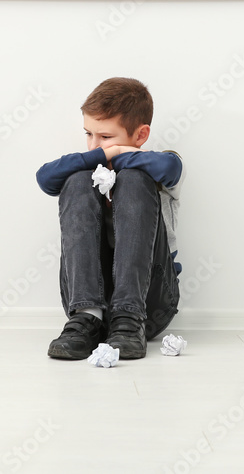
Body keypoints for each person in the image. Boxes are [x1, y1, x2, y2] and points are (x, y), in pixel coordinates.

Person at [35, 77, 185, 360]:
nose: (94, 146)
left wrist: (117, 156)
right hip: (84, 301)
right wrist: (106, 153)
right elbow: (46, 178)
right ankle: (87, 316)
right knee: (77, 180)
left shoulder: (161, 166)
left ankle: (128, 317)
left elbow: (169, 166)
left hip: (149, 306)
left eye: (105, 137)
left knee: (135, 179)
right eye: (88, 134)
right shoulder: (94, 160)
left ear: (140, 135)